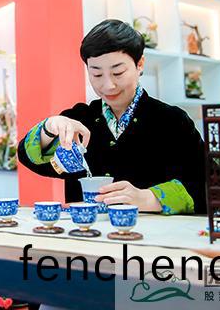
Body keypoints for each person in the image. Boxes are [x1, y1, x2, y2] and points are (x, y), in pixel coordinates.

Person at [18, 19, 206, 214]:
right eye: (97, 75)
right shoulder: (79, 119)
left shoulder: (172, 121)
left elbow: (208, 183)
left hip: (148, 232)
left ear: (140, 64)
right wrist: (48, 128)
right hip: (87, 231)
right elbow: (28, 158)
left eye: (118, 72)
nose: (108, 85)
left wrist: (152, 198)